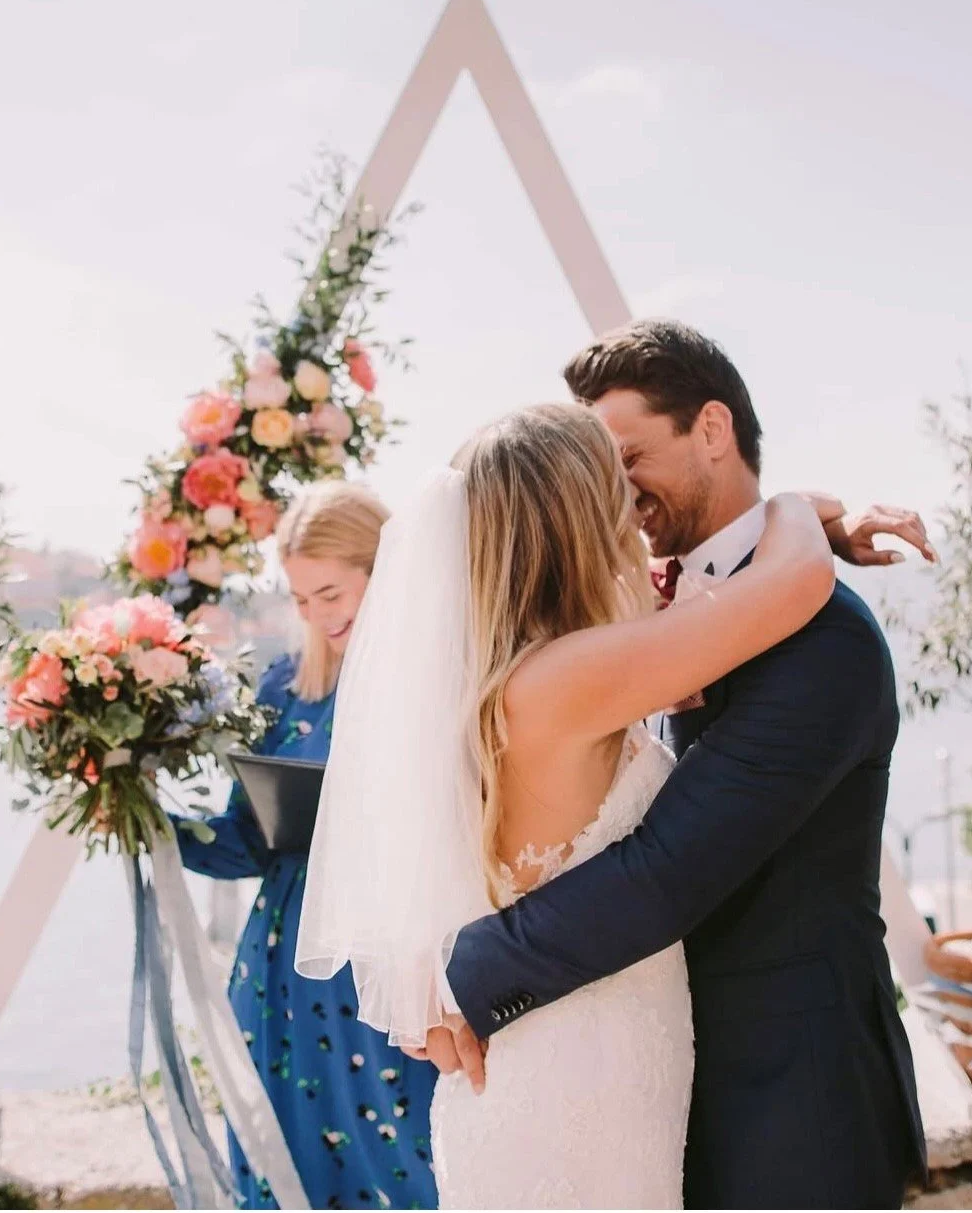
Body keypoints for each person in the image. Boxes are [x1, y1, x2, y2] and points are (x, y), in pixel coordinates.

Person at [299, 397, 916, 1208]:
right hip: (580, 1075)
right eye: (612, 488)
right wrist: (794, 510)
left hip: (566, 1057)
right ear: (580, 518)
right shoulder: (573, 676)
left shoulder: (510, 677)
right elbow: (793, 582)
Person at [175, 481, 439, 1211]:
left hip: (388, 976)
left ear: (386, 569)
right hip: (281, 980)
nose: (319, 617)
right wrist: (152, 824)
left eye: (331, 593)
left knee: (413, 1169)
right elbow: (241, 844)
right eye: (300, 601)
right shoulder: (289, 685)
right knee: (283, 1175)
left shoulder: (443, 679)